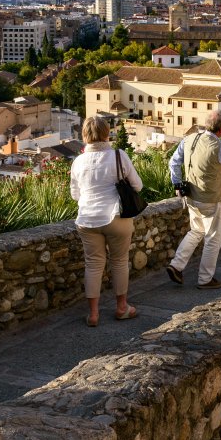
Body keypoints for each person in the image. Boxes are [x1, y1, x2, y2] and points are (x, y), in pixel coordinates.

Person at [69, 116, 142, 327]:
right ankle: (121, 308)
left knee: (93, 265)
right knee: (119, 261)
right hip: (115, 217)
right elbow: (137, 186)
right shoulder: (119, 156)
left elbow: (75, 194)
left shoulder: (78, 161)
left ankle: (93, 314)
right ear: (107, 133)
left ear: (84, 135)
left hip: (86, 219)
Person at [167, 110, 221, 289]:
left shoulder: (189, 139)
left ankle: (176, 265)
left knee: (196, 231)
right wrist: (220, 139)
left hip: (191, 196)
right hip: (210, 198)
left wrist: (177, 184)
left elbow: (173, 162)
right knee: (212, 238)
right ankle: (205, 279)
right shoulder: (218, 146)